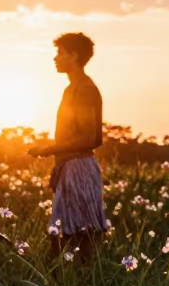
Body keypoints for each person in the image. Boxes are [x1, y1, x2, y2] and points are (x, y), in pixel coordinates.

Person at [28, 32, 109, 264]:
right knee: (65, 235)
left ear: (73, 56)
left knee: (77, 237)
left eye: (60, 53)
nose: (56, 58)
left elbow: (90, 138)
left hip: (79, 169)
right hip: (69, 167)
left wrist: (48, 148)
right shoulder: (71, 89)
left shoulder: (84, 89)